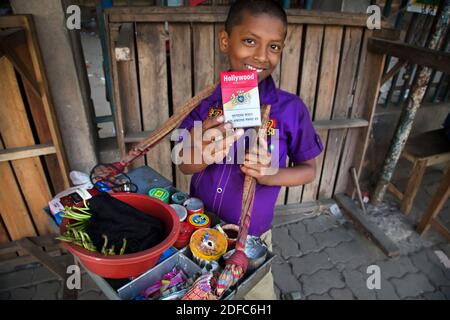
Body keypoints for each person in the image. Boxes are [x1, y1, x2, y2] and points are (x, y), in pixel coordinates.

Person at [176, 0, 323, 299]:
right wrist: (199, 155)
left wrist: (271, 175)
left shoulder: (290, 109)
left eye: (274, 47)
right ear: (225, 41)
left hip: (250, 240)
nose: (261, 56)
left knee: (254, 298)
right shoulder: (206, 105)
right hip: (197, 226)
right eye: (249, 41)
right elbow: (183, 163)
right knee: (197, 294)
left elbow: (309, 171)